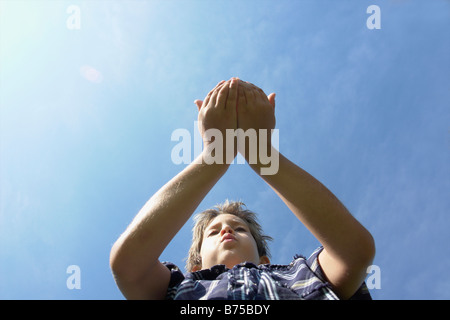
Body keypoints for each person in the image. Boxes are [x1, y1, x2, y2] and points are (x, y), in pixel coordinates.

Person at [109, 78, 375, 300]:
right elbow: (128, 264)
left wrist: (262, 156)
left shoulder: (301, 275)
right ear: (195, 264)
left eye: (239, 228)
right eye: (213, 232)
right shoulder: (175, 288)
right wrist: (214, 157)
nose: (226, 230)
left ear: (264, 260)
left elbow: (354, 252)